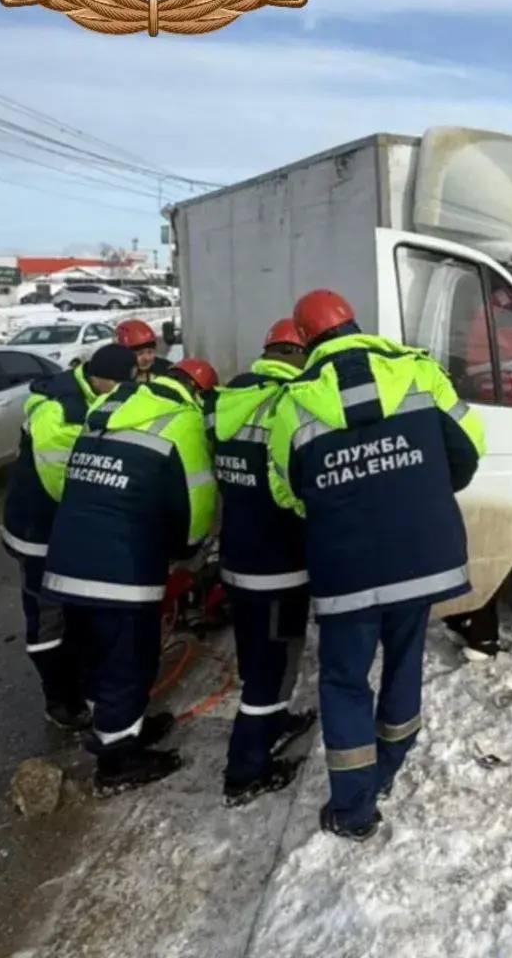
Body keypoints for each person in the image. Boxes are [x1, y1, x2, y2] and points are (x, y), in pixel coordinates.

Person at [269, 289, 486, 841]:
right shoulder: (419, 373)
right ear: (354, 323)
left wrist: (343, 501)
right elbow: (469, 450)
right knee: (405, 658)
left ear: (305, 342)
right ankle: (388, 764)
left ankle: (354, 809)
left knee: (343, 682)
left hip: (346, 568)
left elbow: (288, 493)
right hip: (420, 555)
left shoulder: (292, 405)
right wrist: (420, 491)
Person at [42, 357, 219, 795]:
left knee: (93, 653)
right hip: (122, 567)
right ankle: (118, 760)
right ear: (197, 394)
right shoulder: (182, 422)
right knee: (129, 658)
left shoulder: (108, 406)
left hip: (67, 558)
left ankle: (119, 728)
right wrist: (189, 551)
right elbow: (196, 505)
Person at [1, 343, 138, 730]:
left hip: (65, 530)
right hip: (39, 532)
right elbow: (67, 484)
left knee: (77, 613)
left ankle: (81, 686)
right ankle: (59, 700)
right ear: (99, 380)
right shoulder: (61, 411)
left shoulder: (92, 398)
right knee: (47, 617)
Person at [212, 317, 317, 807]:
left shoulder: (230, 399)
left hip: (237, 557)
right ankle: (246, 769)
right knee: (273, 668)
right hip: (280, 564)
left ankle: (274, 720)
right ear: (297, 356)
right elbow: (300, 488)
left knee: (257, 656)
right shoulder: (292, 405)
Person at [115, 318, 172, 382]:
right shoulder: (111, 378)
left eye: (150, 352)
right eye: (140, 353)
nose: (147, 358)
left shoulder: (166, 369)